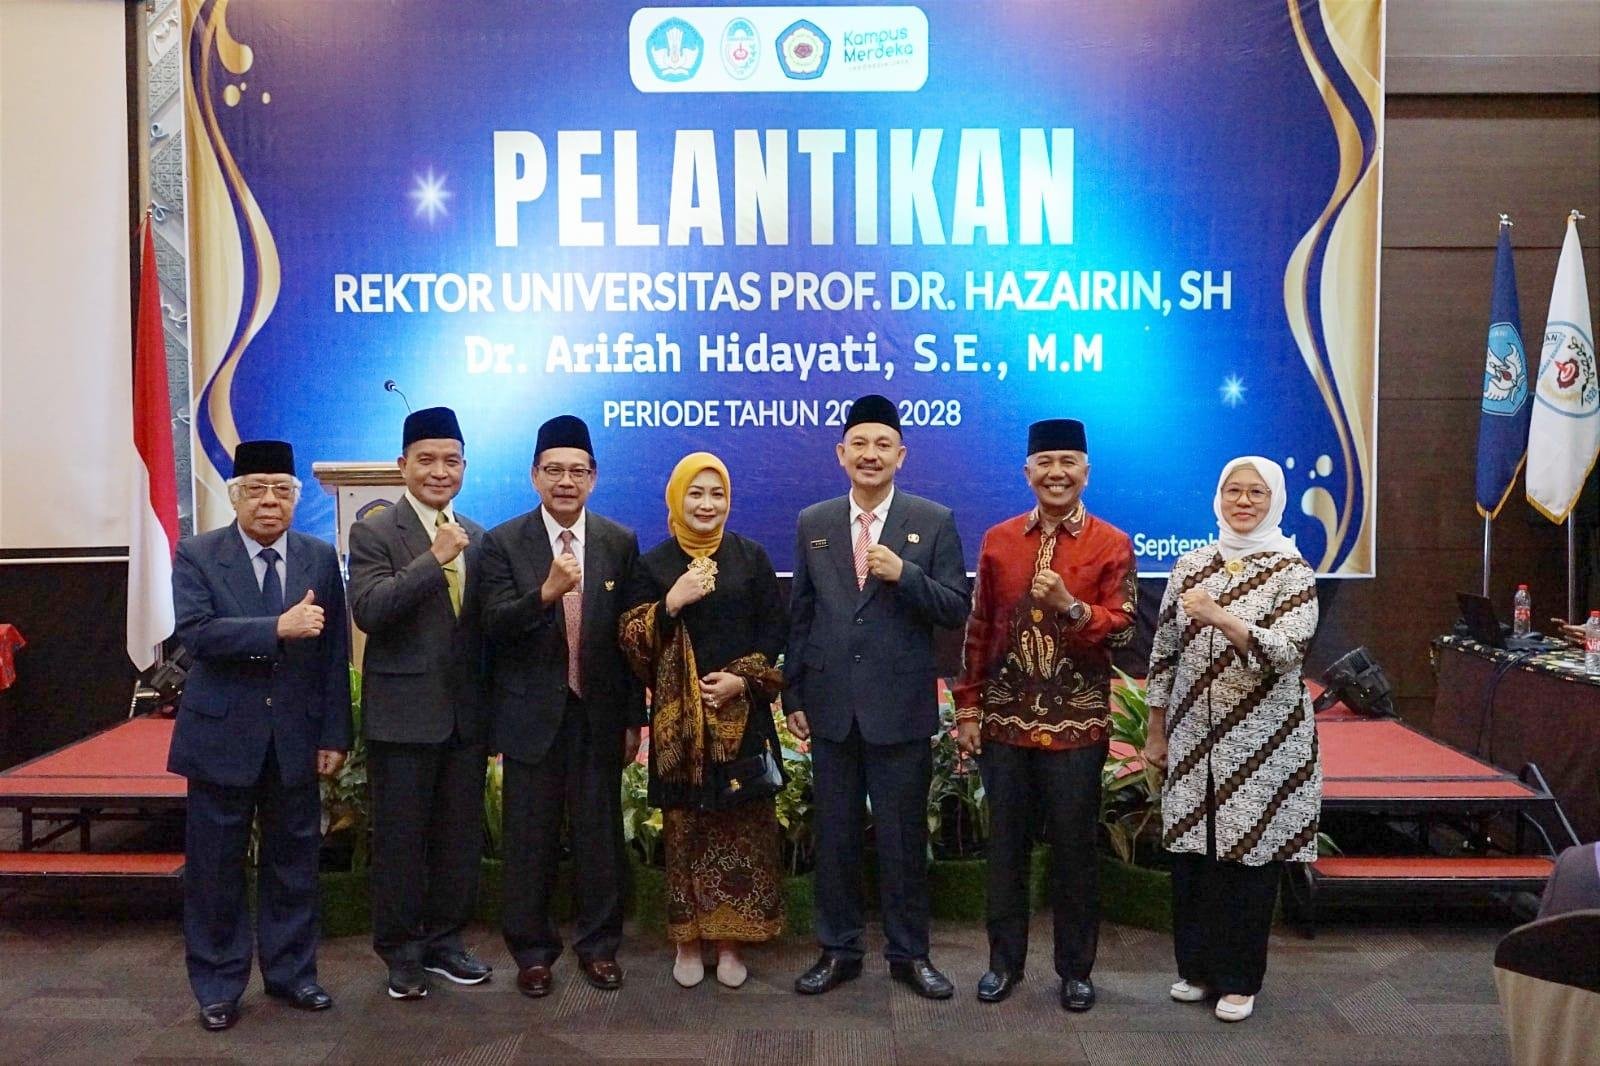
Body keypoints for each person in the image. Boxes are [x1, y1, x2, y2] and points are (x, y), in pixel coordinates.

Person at [784, 395, 972, 999]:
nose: (870, 455)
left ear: (901, 455)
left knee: (900, 839)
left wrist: (906, 575)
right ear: (842, 454)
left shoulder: (933, 519)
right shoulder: (813, 522)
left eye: (882, 445)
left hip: (900, 710)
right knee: (835, 839)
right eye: (858, 445)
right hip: (833, 708)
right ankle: (837, 951)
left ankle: (909, 954)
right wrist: (793, 695)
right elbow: (802, 615)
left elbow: (955, 607)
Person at [168, 440, 352, 1031]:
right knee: (216, 869)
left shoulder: (319, 556)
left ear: (297, 498)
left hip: (296, 738)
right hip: (222, 737)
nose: (269, 501)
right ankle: (218, 986)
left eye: (281, 490)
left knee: (294, 863)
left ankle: (293, 974)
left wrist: (334, 734)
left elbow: (332, 655)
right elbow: (196, 636)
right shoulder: (198, 554)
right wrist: (277, 627)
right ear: (235, 496)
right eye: (256, 489)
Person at [954, 418, 1136, 1012]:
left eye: (1068, 462)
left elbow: (1124, 628)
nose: (1057, 473)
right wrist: (968, 707)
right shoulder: (998, 540)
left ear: (1086, 471)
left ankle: (1075, 971)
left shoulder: (1112, 543)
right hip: (1005, 723)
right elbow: (980, 629)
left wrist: (1072, 608)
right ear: (1027, 472)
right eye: (1045, 462)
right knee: (1004, 849)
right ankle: (1002, 964)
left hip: (1076, 726)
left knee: (1074, 853)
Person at [1141, 456, 1321, 1023]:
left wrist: (1223, 618)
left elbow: (1287, 650)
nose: (1243, 502)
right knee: (1193, 855)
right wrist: (1155, 727)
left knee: (1249, 857)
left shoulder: (1294, 571)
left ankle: (1240, 981)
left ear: (1275, 501)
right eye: (1233, 491)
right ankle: (1196, 970)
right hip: (1194, 736)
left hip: (1264, 743)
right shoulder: (1191, 563)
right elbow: (1164, 652)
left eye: (1255, 494)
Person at [479, 415, 645, 998]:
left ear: (594, 479)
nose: (566, 481)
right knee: (530, 840)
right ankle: (532, 953)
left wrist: (633, 720)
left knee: (601, 839)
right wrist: (544, 593)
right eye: (554, 471)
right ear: (534, 476)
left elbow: (631, 642)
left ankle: (600, 948)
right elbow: (492, 628)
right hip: (531, 718)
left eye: (577, 471)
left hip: (598, 716)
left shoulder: (619, 542)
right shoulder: (502, 542)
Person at [619, 453, 788, 989]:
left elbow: (776, 632)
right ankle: (687, 941)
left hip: (743, 722)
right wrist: (669, 603)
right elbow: (629, 643)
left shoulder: (751, 558)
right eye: (696, 493)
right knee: (686, 832)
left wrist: (742, 679)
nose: (707, 504)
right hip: (680, 734)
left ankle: (731, 944)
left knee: (740, 832)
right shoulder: (652, 566)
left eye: (717, 493)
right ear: (677, 498)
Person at [347, 407, 492, 1000]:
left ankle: (444, 943)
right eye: (426, 460)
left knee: (458, 840)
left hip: (466, 719)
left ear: (464, 467)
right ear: (402, 465)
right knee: (403, 842)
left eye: (451, 461)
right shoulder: (376, 531)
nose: (439, 471)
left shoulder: (478, 536)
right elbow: (371, 610)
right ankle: (401, 953)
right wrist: (434, 558)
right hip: (403, 718)